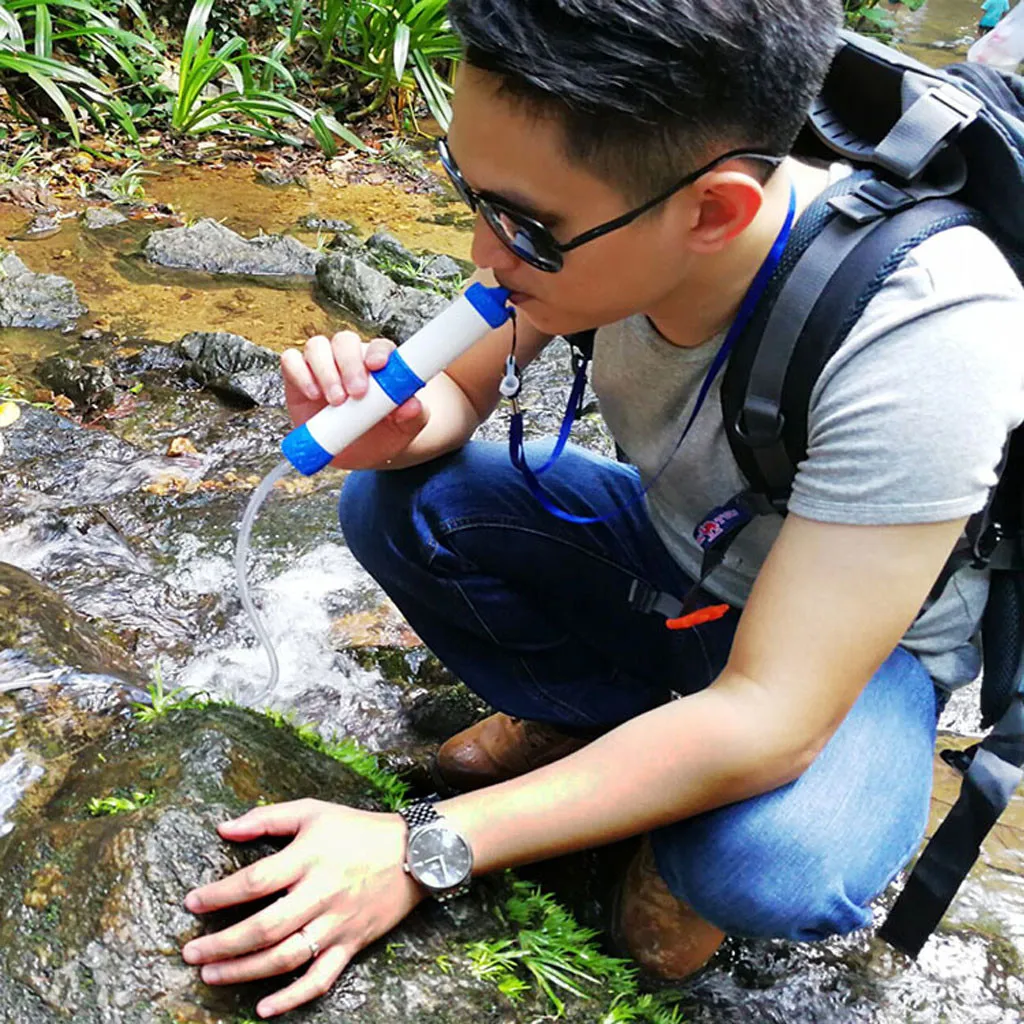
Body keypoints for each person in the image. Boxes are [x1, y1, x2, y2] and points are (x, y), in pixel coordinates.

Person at [178, 1, 1024, 1018]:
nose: (485, 254)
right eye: (469, 191)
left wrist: (425, 846)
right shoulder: (598, 213)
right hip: (683, 557)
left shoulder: (926, 330)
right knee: (403, 504)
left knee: (770, 863)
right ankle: (588, 725)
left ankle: (671, 817)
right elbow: (456, 394)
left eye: (525, 225)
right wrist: (388, 427)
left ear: (712, 213)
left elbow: (773, 713)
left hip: (844, 657)